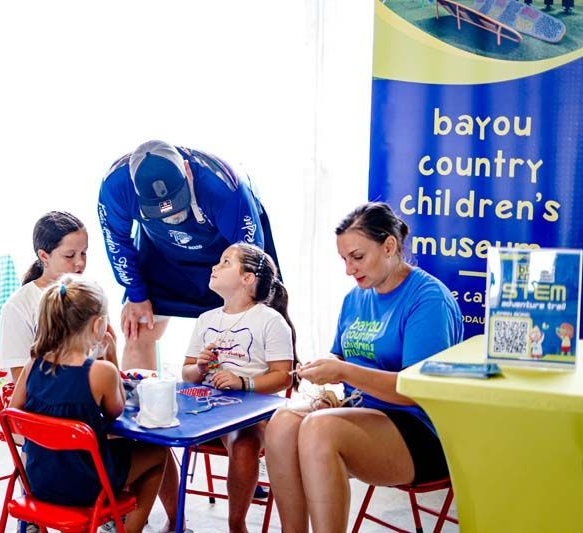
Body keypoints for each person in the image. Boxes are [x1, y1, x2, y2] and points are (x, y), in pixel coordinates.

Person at [264, 202, 463, 533]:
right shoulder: (356, 298)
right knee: (282, 423)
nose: (349, 269)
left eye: (357, 257)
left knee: (319, 429)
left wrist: (342, 373)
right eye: (344, 259)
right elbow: (339, 359)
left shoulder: (428, 300)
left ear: (389, 246)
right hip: (362, 415)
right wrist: (327, 386)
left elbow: (414, 392)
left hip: (423, 431)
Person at [97, 139, 281, 371]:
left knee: (245, 338)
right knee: (138, 330)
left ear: (187, 171)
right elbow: (116, 240)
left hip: (228, 254)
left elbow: (250, 258)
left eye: (178, 203)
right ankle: (141, 403)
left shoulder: (225, 187)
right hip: (160, 250)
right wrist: (136, 294)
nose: (173, 214)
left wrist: (240, 306)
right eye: (161, 210)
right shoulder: (115, 186)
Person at [8, 275, 166, 533]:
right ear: (98, 325)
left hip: (38, 480)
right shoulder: (101, 372)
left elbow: (14, 418)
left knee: (117, 454)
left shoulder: (32, 365)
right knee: (156, 454)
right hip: (86, 485)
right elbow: (116, 411)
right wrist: (112, 357)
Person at [181, 243, 295, 533]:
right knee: (154, 433)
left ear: (247, 279)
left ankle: (236, 525)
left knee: (244, 444)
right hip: (207, 409)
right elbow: (187, 372)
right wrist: (200, 369)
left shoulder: (270, 320)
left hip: (251, 411)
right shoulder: (206, 320)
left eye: (225, 262)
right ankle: (175, 520)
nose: (214, 267)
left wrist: (244, 382)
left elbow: (284, 377)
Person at [0, 211, 104, 382]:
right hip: (46, 401)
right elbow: (21, 380)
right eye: (70, 255)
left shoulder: (89, 295)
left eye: (83, 253)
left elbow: (101, 360)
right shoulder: (19, 305)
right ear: (44, 256)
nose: (80, 263)